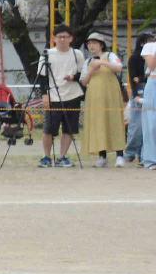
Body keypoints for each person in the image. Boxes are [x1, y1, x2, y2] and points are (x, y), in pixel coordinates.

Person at [40, 26, 85, 168]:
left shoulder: (77, 54)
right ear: (54, 39)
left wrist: (73, 77)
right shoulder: (47, 54)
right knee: (48, 129)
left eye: (65, 36)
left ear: (71, 38)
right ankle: (46, 157)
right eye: (59, 36)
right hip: (53, 96)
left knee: (69, 129)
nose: (62, 39)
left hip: (73, 95)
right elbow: (42, 77)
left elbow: (82, 74)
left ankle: (62, 156)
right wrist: (44, 95)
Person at [79, 31, 126, 167]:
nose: (91, 46)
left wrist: (103, 63)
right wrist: (92, 70)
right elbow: (83, 81)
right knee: (98, 123)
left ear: (101, 45)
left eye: (94, 43)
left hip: (111, 94)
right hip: (94, 96)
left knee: (114, 121)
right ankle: (102, 155)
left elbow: (118, 67)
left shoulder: (110, 55)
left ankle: (119, 155)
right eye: (89, 44)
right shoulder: (88, 61)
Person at [139, 40, 156, 169]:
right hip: (153, 83)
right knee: (151, 123)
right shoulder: (149, 46)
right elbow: (151, 65)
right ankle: (150, 159)